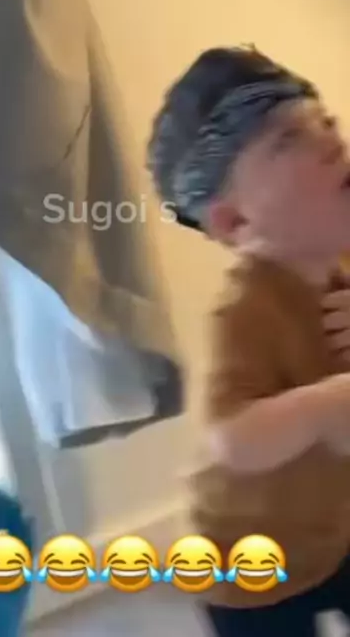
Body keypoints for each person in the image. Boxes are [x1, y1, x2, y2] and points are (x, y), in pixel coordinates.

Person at [147, 45, 350, 637]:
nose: (331, 141)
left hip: (332, 527)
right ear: (235, 222)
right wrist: (327, 403)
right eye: (288, 139)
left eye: (326, 121)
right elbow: (232, 436)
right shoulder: (244, 310)